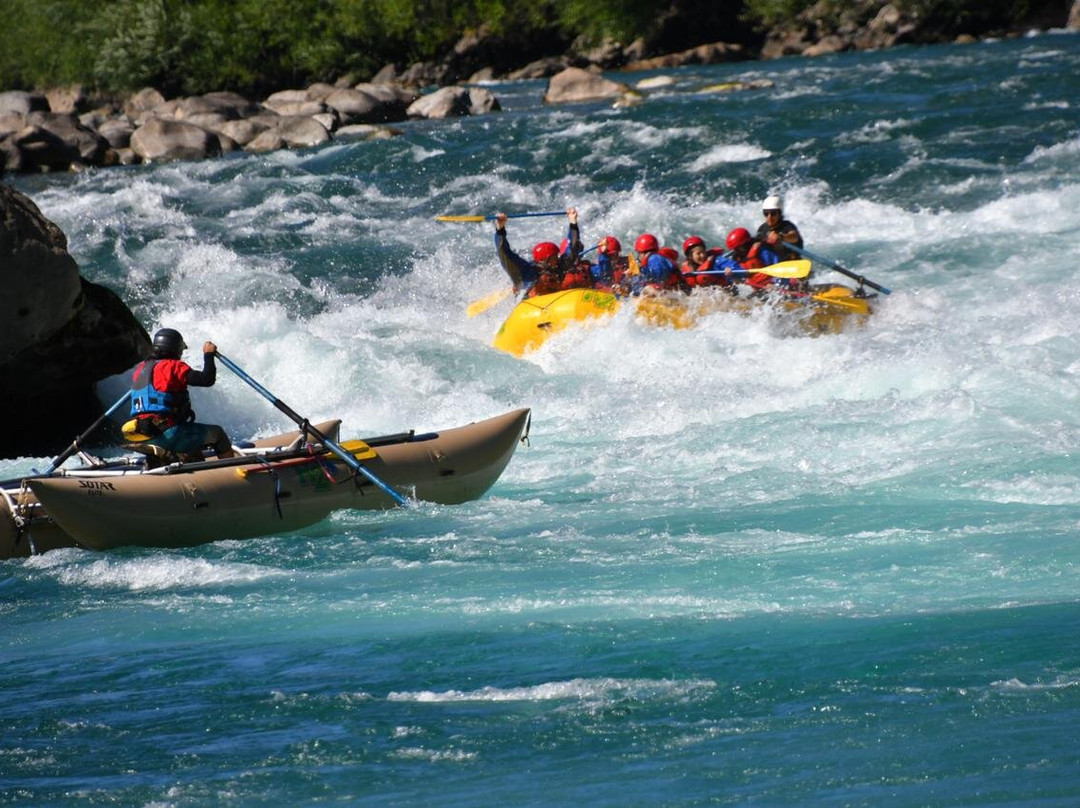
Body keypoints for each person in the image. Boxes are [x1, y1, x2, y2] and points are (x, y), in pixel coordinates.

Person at [123, 328, 235, 460]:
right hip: (169, 433)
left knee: (195, 453)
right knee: (218, 434)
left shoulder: (141, 370)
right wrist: (208, 355)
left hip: (142, 433)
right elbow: (207, 379)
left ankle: (166, 457)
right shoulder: (173, 367)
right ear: (175, 350)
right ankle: (231, 469)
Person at [494, 208, 583, 298]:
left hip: (553, 304)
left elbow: (573, 248)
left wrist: (573, 222)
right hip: (530, 305)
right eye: (554, 257)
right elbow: (504, 253)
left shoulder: (559, 267)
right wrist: (500, 229)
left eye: (557, 256)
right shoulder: (526, 271)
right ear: (543, 260)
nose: (557, 259)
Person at [756, 194, 803, 261]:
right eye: (766, 213)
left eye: (773, 213)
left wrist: (781, 237)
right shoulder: (762, 228)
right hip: (772, 263)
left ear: (779, 214)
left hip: (791, 262)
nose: (769, 217)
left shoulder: (787, 226)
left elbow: (794, 237)